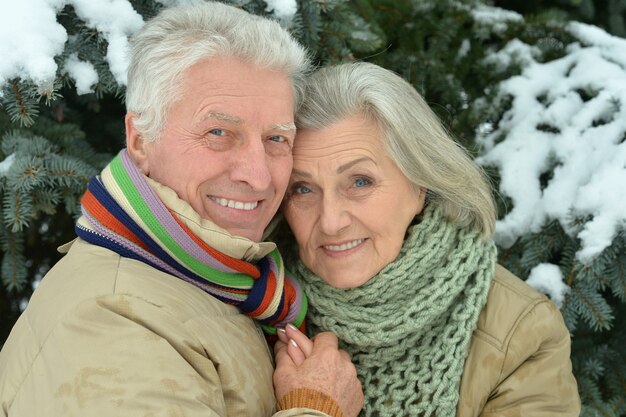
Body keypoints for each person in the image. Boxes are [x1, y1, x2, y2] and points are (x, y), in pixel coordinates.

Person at [0, 3, 363, 416]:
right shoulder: (113, 321)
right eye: (219, 132)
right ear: (140, 141)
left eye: (276, 139)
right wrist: (317, 407)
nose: (259, 176)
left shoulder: (222, 280)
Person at [274, 62, 581, 416]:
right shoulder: (256, 301)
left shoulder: (519, 331)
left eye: (360, 181)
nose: (330, 221)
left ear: (420, 183)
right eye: (302, 188)